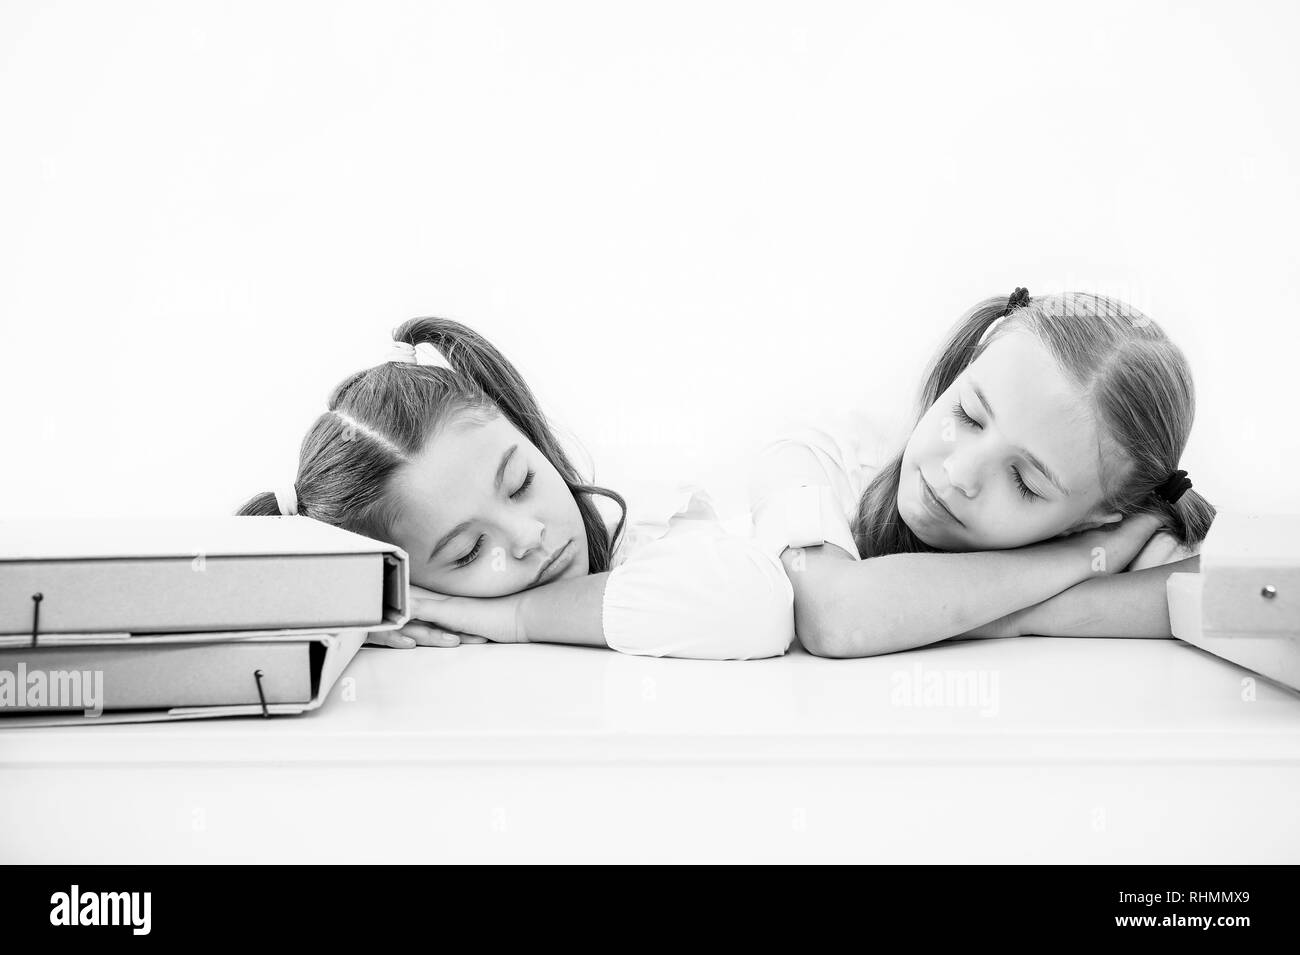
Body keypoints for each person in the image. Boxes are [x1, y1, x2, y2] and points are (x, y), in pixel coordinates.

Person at [238, 317, 793, 660]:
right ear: (406, 583)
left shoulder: (653, 529)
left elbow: (760, 609)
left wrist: (515, 617)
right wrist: (353, 613)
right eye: (470, 551)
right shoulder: (422, 632)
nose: (528, 535)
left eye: (521, 482)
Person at [747, 289, 1215, 657]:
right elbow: (836, 615)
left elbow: (1274, 602)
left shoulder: (1151, 541)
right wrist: (1083, 560)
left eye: (1024, 482)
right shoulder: (818, 459)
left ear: (1093, 518)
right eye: (968, 416)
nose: (960, 470)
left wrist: (983, 614)